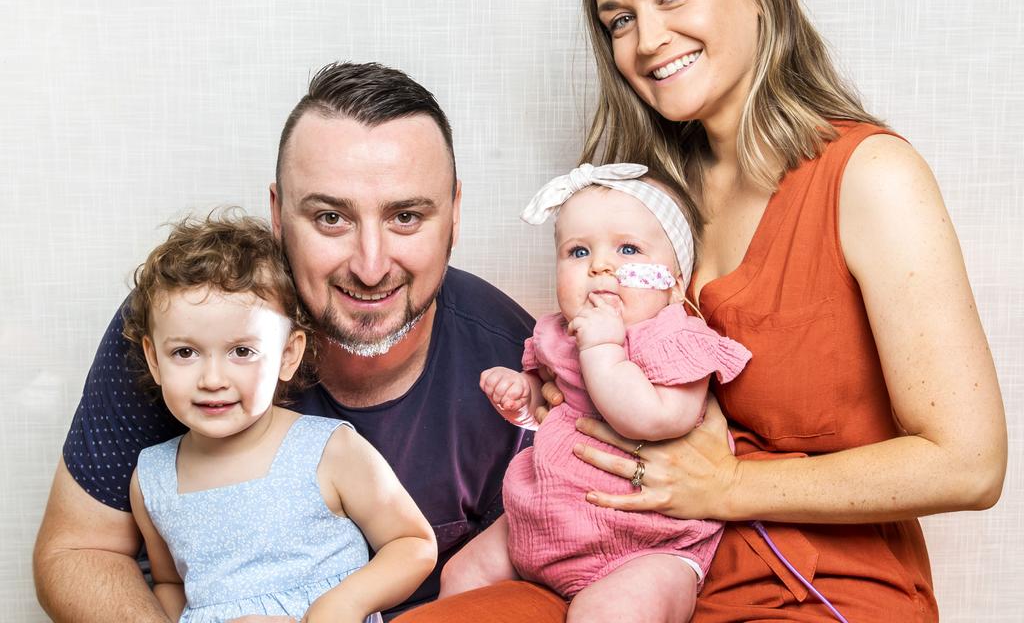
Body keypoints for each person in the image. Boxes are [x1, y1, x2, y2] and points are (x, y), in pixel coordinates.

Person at [395, 0, 1007, 623]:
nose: (647, 39)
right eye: (618, 18)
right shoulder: (643, 203)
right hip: (609, 564)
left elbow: (971, 464)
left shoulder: (870, 177)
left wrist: (728, 488)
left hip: (809, 589)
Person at [33, 62, 535, 622]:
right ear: (277, 215)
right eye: (330, 217)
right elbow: (78, 549)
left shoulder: (518, 364)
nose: (370, 266)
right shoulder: (185, 323)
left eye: (406, 216)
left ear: (454, 215)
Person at [439, 164, 751, 623]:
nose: (601, 266)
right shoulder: (561, 334)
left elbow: (655, 419)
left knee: (608, 613)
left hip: (644, 545)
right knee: (461, 574)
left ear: (676, 281)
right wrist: (521, 396)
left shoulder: (673, 337)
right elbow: (551, 409)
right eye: (578, 251)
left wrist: (603, 348)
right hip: (543, 521)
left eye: (628, 249)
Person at [126, 213, 436, 622]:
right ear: (154, 358)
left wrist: (343, 603)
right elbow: (171, 583)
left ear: (288, 355)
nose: (213, 379)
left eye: (242, 352)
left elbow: (412, 542)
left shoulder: (328, 450)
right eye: (185, 353)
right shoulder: (153, 479)